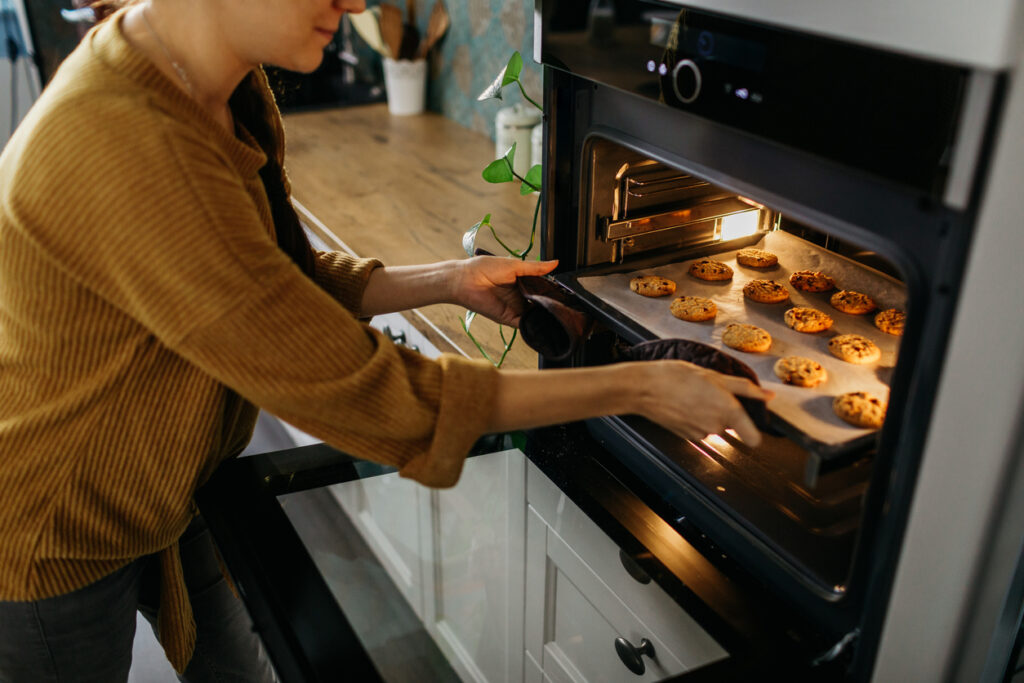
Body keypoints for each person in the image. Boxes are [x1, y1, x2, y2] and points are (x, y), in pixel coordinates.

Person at [0, 0, 772, 680]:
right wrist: (641, 384)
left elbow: (270, 273)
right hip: (52, 521)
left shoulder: (215, 79)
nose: (357, 1)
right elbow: (371, 391)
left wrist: (448, 279)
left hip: (164, 476)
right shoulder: (133, 144)